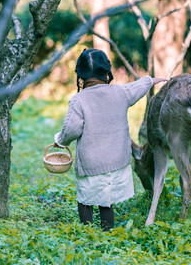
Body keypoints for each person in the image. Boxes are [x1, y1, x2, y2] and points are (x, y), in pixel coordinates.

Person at [54, 48, 167, 231]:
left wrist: (60, 140)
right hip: (117, 161)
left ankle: (87, 231)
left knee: (86, 199)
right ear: (107, 71)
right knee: (106, 202)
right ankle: (107, 231)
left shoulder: (79, 100)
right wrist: (150, 81)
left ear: (81, 74)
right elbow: (135, 88)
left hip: (91, 165)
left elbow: (71, 130)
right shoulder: (120, 93)